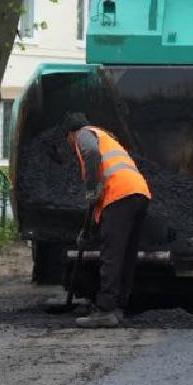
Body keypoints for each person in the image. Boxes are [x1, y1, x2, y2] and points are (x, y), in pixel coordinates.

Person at [65, 112, 152, 329]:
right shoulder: (107, 138)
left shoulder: (84, 134)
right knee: (125, 254)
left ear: (70, 134)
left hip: (119, 194)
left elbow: (92, 154)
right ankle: (118, 307)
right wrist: (88, 232)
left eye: (69, 141)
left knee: (111, 255)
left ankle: (105, 310)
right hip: (139, 193)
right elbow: (100, 204)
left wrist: (91, 187)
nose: (72, 146)